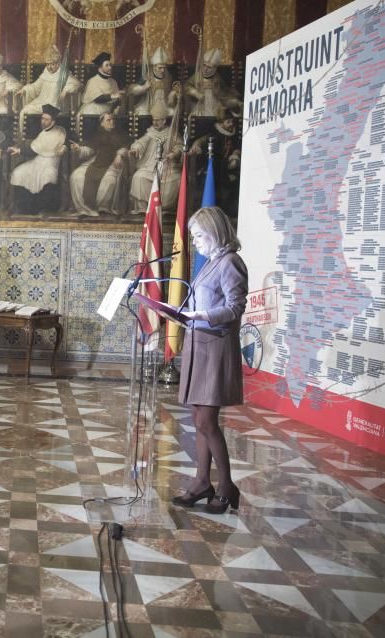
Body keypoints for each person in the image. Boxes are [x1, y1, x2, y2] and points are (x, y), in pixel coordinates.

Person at [173, 206, 248, 515]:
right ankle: (202, 482)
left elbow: (235, 308)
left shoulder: (231, 262)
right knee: (198, 419)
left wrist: (202, 315)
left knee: (206, 421)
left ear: (216, 232)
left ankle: (227, 486)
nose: (196, 242)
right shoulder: (210, 262)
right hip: (197, 344)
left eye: (199, 235)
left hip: (215, 348)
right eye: (193, 236)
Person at [69, 112, 133, 217]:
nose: (112, 122)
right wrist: (79, 149)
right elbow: (90, 149)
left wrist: (119, 154)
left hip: (113, 162)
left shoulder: (120, 134)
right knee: (76, 176)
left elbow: (126, 146)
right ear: (102, 123)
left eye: (113, 119)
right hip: (96, 161)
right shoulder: (97, 135)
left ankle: (103, 208)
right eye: (108, 120)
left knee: (109, 180)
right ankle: (84, 208)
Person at [9, 104, 66, 214]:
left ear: (53, 122)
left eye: (46, 119)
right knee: (18, 172)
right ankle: (23, 207)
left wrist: (65, 146)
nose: (43, 121)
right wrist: (19, 150)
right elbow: (35, 148)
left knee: (47, 176)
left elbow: (70, 139)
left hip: (51, 163)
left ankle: (44, 209)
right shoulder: (43, 133)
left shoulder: (60, 132)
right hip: (38, 161)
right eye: (42, 118)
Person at [128, 103, 182, 213]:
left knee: (177, 179)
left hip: (168, 166)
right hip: (149, 166)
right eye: (153, 120)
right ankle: (143, 208)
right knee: (139, 177)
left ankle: (164, 208)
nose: (155, 123)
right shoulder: (150, 133)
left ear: (164, 121)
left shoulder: (172, 133)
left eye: (158, 120)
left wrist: (174, 153)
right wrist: (136, 149)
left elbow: (180, 146)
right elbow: (141, 143)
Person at [16, 45, 80, 127]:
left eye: (52, 64)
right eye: (47, 64)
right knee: (25, 110)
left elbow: (76, 84)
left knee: (49, 115)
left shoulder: (64, 74)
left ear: (58, 63)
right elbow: (35, 87)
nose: (49, 67)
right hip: (42, 102)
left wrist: (66, 90)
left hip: (56, 105)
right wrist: (25, 90)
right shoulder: (46, 73)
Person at [186, 49, 241, 117]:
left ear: (214, 69)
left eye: (209, 67)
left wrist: (232, 99)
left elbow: (224, 93)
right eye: (204, 65)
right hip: (199, 106)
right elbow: (187, 86)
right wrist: (195, 93)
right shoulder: (197, 75)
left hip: (215, 107)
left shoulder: (217, 78)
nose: (205, 69)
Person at [128, 47, 179, 116]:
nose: (162, 70)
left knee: (173, 113)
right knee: (144, 114)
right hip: (149, 105)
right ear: (154, 67)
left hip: (164, 104)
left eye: (164, 67)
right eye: (160, 68)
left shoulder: (168, 76)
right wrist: (144, 88)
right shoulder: (148, 76)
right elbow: (132, 90)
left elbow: (176, 86)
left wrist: (173, 92)